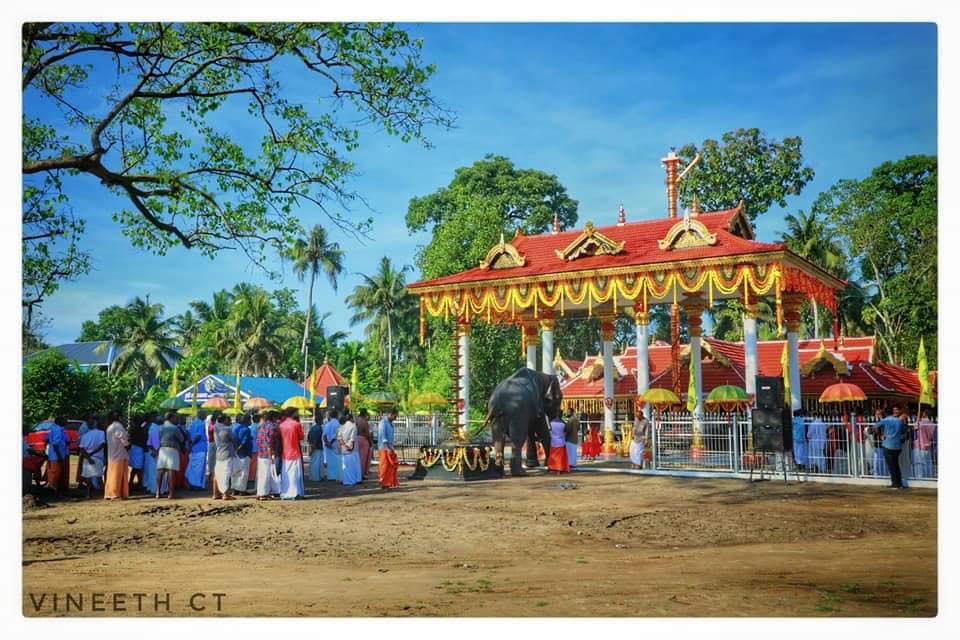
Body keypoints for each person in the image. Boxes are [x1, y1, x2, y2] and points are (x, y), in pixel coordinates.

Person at [870, 405, 908, 489]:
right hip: (897, 446)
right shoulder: (899, 421)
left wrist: (881, 434)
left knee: (891, 466)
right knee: (896, 465)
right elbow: (903, 431)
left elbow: (874, 427)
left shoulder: (885, 420)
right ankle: (900, 483)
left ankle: (895, 484)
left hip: (887, 445)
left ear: (886, 413)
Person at [156, 412, 185, 499]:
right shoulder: (174, 428)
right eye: (175, 418)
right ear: (171, 418)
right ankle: (171, 494)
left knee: (160, 471)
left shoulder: (161, 428)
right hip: (172, 449)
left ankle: (158, 493)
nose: (176, 420)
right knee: (171, 471)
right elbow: (181, 439)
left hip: (162, 449)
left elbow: (159, 438)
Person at [278, 407, 305, 499]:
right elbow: (301, 437)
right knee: (295, 473)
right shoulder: (296, 424)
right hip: (295, 451)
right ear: (293, 414)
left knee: (286, 473)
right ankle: (296, 492)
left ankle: (286, 492)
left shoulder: (281, 425)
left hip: (285, 452)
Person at [104, 412, 130, 500]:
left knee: (111, 474)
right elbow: (124, 441)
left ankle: (109, 493)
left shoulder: (109, 427)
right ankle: (115, 494)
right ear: (119, 417)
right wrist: (128, 444)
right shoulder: (119, 427)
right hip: (119, 454)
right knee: (117, 475)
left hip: (111, 454)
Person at [255, 411, 281, 500]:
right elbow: (269, 443)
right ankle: (263, 494)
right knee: (267, 475)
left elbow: (258, 440)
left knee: (263, 474)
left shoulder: (260, 426)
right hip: (268, 454)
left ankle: (263, 492)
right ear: (274, 417)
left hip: (261, 453)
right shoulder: (272, 427)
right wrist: (271, 456)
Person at [78, 420, 106, 498]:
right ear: (96, 424)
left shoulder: (85, 436)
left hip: (87, 458)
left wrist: (88, 457)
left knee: (88, 477)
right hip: (97, 457)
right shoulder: (101, 433)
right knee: (99, 477)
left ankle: (88, 494)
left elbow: (82, 449)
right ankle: (103, 494)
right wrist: (93, 453)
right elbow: (102, 444)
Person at [212, 413, 237, 500]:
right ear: (224, 420)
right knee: (226, 474)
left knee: (217, 474)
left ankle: (215, 494)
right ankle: (225, 494)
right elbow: (233, 439)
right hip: (227, 453)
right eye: (228, 419)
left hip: (219, 453)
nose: (229, 421)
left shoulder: (215, 428)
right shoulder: (227, 429)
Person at [44, 417, 69, 497]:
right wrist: (59, 456)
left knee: (55, 473)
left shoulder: (55, 429)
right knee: (55, 474)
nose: (66, 421)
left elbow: (47, 439)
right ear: (59, 421)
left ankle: (55, 490)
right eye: (64, 420)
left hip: (54, 455)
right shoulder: (58, 430)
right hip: (56, 456)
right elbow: (55, 444)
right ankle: (53, 490)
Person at [377, 409, 400, 489]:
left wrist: (391, 448)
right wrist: (388, 448)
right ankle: (383, 482)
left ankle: (388, 483)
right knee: (384, 466)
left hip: (390, 447)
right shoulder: (383, 423)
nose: (396, 418)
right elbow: (383, 437)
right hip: (384, 448)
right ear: (391, 414)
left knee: (390, 466)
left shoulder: (390, 423)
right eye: (395, 416)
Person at [339, 411, 362, 486]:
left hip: (344, 449)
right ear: (351, 418)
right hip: (352, 450)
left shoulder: (342, 426)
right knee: (353, 466)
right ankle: (352, 481)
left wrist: (344, 446)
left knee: (345, 466)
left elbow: (339, 438)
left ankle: (346, 481)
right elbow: (353, 439)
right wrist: (350, 447)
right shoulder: (353, 426)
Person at [185, 412, 208, 489]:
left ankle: (193, 483)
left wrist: (190, 443)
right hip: (200, 448)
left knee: (193, 467)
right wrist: (192, 444)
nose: (206, 416)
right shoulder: (201, 424)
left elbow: (188, 433)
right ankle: (197, 485)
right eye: (205, 414)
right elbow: (198, 436)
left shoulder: (193, 423)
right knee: (199, 468)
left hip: (194, 449)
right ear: (201, 415)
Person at [232, 414, 253, 495]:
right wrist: (237, 449)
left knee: (236, 472)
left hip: (236, 454)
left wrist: (235, 450)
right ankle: (242, 490)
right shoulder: (246, 429)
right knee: (244, 472)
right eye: (250, 420)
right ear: (247, 420)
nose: (251, 421)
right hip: (244, 453)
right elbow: (243, 442)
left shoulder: (235, 428)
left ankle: (235, 489)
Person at [913, 409, 936, 478]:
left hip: (919, 445)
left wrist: (917, 420)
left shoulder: (920, 422)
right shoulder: (933, 424)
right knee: (928, 463)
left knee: (919, 464)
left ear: (925, 414)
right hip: (928, 445)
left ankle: (919, 477)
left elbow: (914, 427)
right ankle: (929, 476)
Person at [127, 415, 147, 492]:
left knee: (136, 467)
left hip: (135, 448)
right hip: (138, 449)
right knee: (137, 467)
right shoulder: (138, 429)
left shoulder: (133, 429)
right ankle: (137, 483)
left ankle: (133, 483)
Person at [143, 416, 162, 494]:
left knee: (152, 471)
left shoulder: (154, 427)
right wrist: (155, 450)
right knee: (154, 471)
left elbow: (148, 442)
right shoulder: (154, 428)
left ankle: (153, 488)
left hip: (153, 452)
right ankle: (154, 489)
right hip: (155, 453)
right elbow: (149, 442)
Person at [323, 409, 342, 483]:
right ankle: (335, 476)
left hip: (328, 445)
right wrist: (330, 443)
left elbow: (324, 435)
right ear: (337, 415)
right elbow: (336, 435)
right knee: (336, 461)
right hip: (334, 444)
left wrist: (327, 442)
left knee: (329, 461)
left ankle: (330, 476)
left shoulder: (327, 424)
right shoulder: (338, 424)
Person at [307, 411, 326, 482]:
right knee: (317, 463)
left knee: (314, 462)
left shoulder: (313, 428)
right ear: (320, 420)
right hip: (317, 448)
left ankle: (315, 477)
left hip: (315, 447)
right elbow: (315, 440)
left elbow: (309, 438)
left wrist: (311, 447)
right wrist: (312, 449)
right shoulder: (318, 429)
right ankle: (316, 477)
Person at [356, 409, 374, 478]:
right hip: (363, 440)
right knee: (363, 459)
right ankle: (361, 474)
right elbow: (367, 433)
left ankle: (357, 473)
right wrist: (370, 442)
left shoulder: (356, 420)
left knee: (357, 458)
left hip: (356, 439)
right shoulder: (364, 422)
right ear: (365, 414)